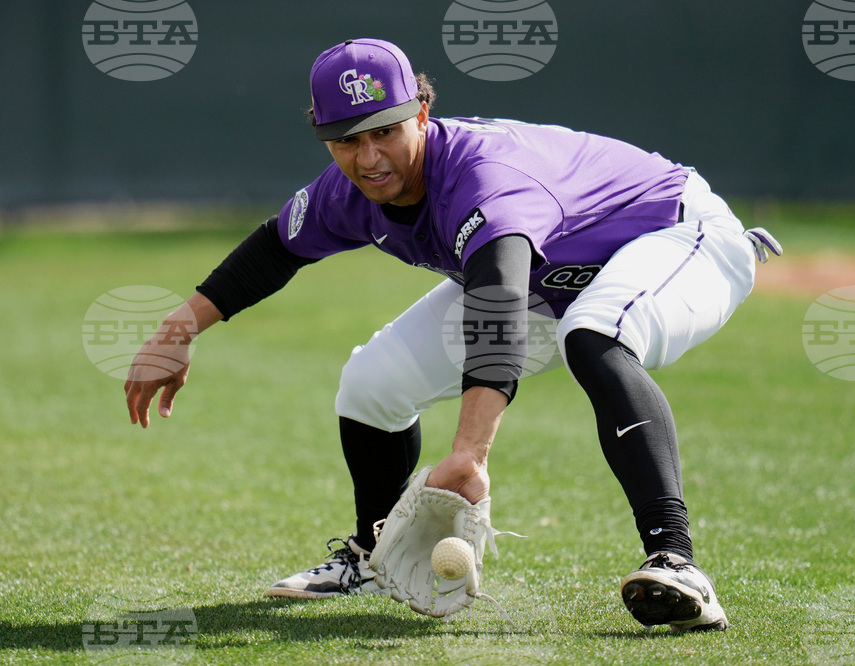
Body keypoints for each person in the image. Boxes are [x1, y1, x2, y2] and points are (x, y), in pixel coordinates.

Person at [124, 38, 780, 632]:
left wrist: (469, 453)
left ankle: (677, 561)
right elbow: (275, 248)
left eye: (384, 130)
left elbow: (495, 302)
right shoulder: (350, 189)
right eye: (346, 139)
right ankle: (374, 555)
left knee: (594, 333)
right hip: (545, 278)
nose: (368, 155)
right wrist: (176, 330)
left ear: (422, 114)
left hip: (675, 236)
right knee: (371, 383)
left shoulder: (483, 177)